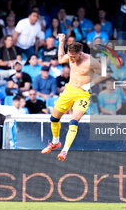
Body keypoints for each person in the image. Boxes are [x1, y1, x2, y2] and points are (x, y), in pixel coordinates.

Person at [41, 33, 105, 161]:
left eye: (73, 57)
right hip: (69, 90)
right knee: (54, 118)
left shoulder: (91, 61)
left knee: (73, 120)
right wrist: (61, 42)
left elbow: (104, 74)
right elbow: (60, 60)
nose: (70, 59)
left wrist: (90, 84)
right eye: (69, 56)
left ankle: (64, 150)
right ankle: (55, 143)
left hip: (82, 94)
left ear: (80, 54)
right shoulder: (70, 56)